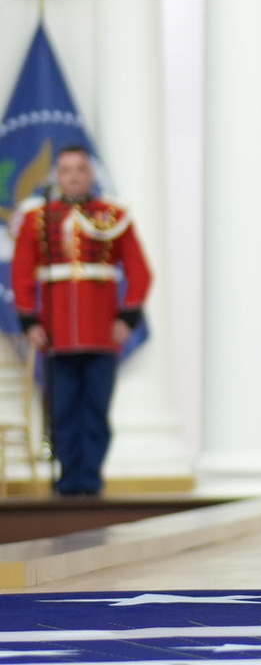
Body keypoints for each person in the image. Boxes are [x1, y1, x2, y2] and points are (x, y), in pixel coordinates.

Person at [9, 145, 150, 497]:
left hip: (101, 333)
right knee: (62, 411)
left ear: (91, 175)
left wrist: (127, 316)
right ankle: (67, 482)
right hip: (57, 334)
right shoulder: (37, 218)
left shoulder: (113, 216)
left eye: (80, 169)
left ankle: (90, 481)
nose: (73, 176)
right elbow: (22, 272)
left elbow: (140, 272)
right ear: (57, 176)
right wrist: (30, 321)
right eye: (66, 170)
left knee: (96, 411)